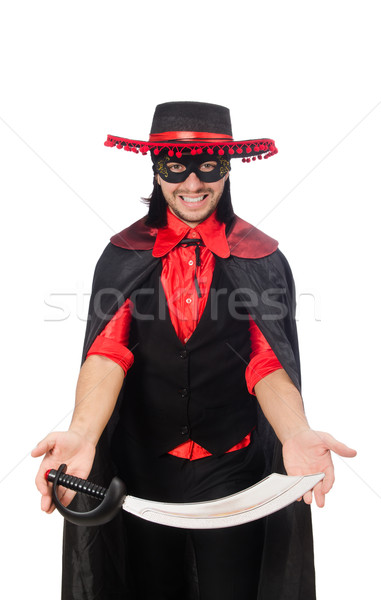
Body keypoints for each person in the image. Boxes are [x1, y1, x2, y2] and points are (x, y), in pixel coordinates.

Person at [32, 101, 356, 600]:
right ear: (156, 171)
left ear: (226, 170)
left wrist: (295, 432)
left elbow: (266, 361)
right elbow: (108, 353)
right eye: (175, 167)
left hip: (232, 473)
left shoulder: (259, 255)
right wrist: (80, 433)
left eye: (208, 166)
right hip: (144, 474)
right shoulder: (124, 255)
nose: (192, 184)